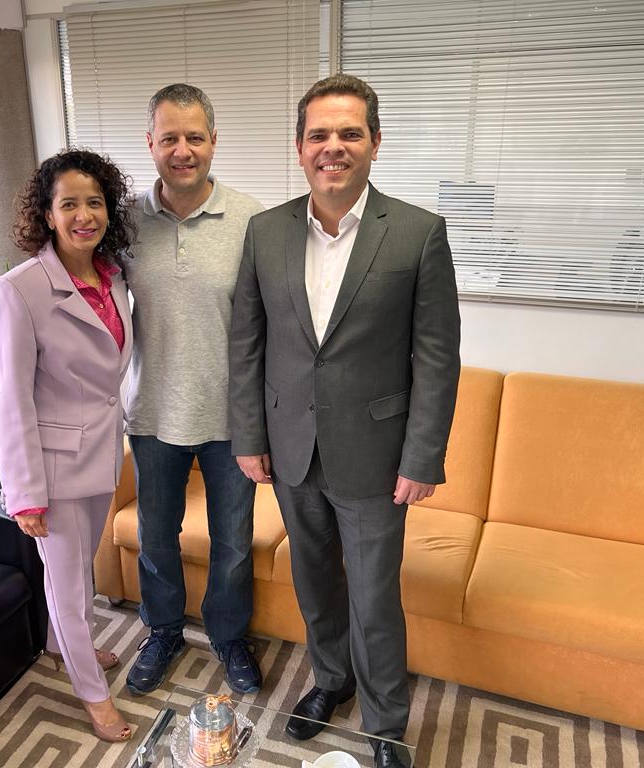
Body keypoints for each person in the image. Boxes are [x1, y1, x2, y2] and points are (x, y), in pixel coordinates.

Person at [229, 74, 461, 768]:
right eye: (319, 135)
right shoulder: (265, 231)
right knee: (313, 582)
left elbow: (436, 357)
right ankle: (330, 681)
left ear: (375, 143)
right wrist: (249, 437)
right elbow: (247, 342)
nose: (333, 146)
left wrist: (422, 457)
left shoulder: (418, 233)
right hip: (290, 448)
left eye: (350, 133)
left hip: (376, 456)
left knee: (374, 598)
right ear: (299, 147)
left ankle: (386, 725)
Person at [0, 150, 136, 743]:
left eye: (94, 202)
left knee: (79, 572)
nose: (84, 215)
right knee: (70, 585)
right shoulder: (19, 290)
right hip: (52, 469)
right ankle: (94, 697)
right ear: (46, 215)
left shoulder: (114, 277)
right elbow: (11, 399)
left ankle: (60, 642)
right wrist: (23, 492)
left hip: (101, 453)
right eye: (69, 204)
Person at [124, 83, 265, 695]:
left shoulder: (252, 220)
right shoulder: (122, 222)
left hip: (232, 418)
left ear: (213, 142)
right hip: (152, 412)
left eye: (195, 137)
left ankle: (229, 636)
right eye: (169, 138)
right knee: (156, 538)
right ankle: (162, 631)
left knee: (233, 543)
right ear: (150, 143)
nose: (182, 150)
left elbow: (270, 322)